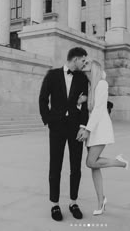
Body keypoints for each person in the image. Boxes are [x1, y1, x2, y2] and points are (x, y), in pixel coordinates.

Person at [39, 47, 89, 222]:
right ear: (75, 59)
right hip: (57, 127)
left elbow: (84, 105)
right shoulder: (52, 75)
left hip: (76, 128)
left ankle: (73, 202)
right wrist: (49, 121)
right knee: (56, 166)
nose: (85, 63)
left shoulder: (83, 78)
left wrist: (84, 127)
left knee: (76, 167)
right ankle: (55, 204)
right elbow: (43, 99)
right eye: (83, 60)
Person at [76, 60, 129, 216]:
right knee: (94, 167)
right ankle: (101, 201)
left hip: (99, 129)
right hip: (91, 129)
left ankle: (120, 162)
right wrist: (80, 103)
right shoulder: (89, 87)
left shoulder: (101, 84)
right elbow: (87, 111)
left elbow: (99, 110)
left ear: (94, 68)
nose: (84, 65)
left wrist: (87, 130)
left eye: (86, 64)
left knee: (90, 161)